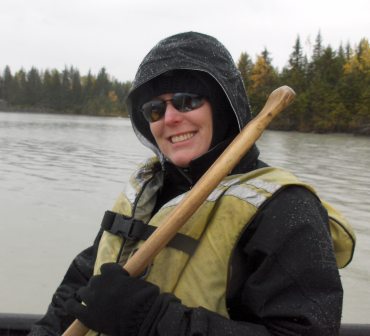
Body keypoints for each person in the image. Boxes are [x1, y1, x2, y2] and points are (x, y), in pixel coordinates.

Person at [28, 32, 355, 336]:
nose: (169, 118)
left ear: (224, 107)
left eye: (187, 101)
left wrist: (153, 319)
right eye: (155, 109)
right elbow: (80, 287)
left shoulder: (284, 208)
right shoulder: (147, 190)